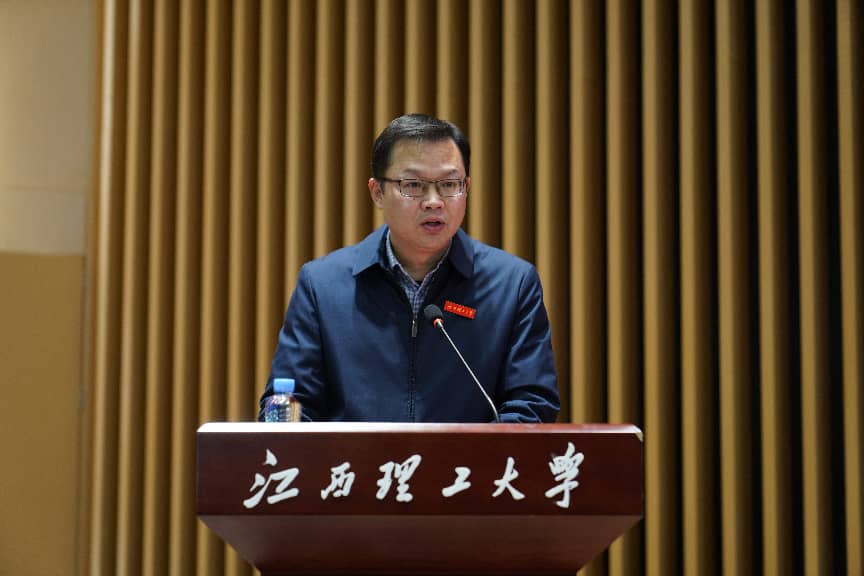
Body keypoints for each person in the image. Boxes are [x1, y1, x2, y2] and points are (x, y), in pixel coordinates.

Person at [258, 113, 559, 422]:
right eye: (413, 185)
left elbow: (530, 407)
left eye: (449, 184)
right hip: (356, 457)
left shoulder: (511, 285)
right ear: (377, 192)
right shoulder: (322, 286)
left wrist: (460, 453)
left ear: (466, 187)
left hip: (469, 458)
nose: (434, 201)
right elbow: (289, 408)